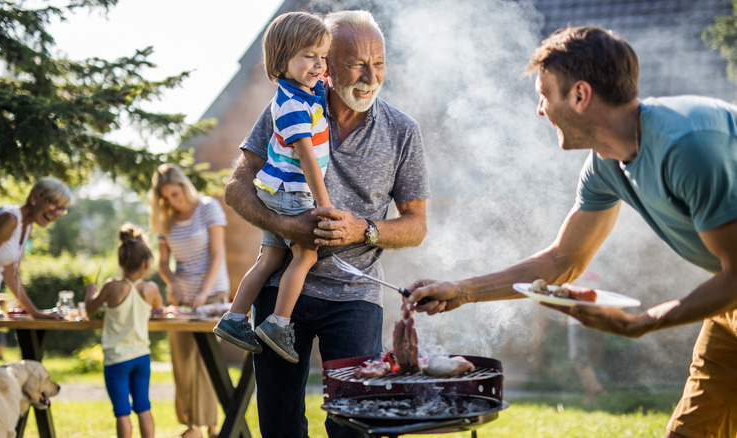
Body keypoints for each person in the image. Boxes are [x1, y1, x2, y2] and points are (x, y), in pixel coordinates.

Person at [407, 26, 737, 438]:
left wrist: (641, 323)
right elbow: (564, 260)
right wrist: (463, 290)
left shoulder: (688, 146)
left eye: (544, 95)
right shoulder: (605, 166)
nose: (540, 110)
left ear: (580, 95)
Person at [224, 9, 430, 437]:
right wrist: (288, 226)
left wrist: (365, 229)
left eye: (379, 64)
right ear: (326, 64)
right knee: (279, 426)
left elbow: (416, 225)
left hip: (356, 297)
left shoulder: (402, 131)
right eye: (357, 63)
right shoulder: (287, 107)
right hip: (280, 291)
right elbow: (236, 189)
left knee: (354, 424)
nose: (370, 77)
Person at [214, 11, 332, 364]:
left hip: (275, 189)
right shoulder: (293, 105)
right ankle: (278, 324)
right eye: (309, 56)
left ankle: (235, 318)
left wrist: (323, 81)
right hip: (292, 191)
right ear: (282, 60)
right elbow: (309, 160)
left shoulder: (302, 92)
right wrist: (324, 204)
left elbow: (320, 92)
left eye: (322, 56)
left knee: (270, 258)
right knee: (306, 254)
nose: (318, 65)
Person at [0, 177, 69, 378]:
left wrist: (35, 312)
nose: (57, 212)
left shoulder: (26, 226)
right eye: (53, 203)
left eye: (62, 208)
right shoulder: (9, 219)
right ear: (35, 197)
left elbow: (10, 275)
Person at [149, 163, 229, 438]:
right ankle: (193, 425)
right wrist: (173, 284)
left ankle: (210, 426)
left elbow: (217, 254)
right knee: (182, 362)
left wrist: (203, 293)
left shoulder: (209, 208)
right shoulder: (165, 218)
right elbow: (163, 263)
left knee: (204, 362)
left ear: (184, 187)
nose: (173, 201)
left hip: (212, 298)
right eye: (167, 197)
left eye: (176, 194)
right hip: (182, 303)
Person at [85, 223, 162, 438]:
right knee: (143, 407)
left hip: (116, 359)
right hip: (141, 356)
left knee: (122, 412)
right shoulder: (151, 288)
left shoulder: (112, 286)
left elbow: (90, 309)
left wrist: (90, 291)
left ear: (121, 261)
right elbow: (158, 307)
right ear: (147, 264)